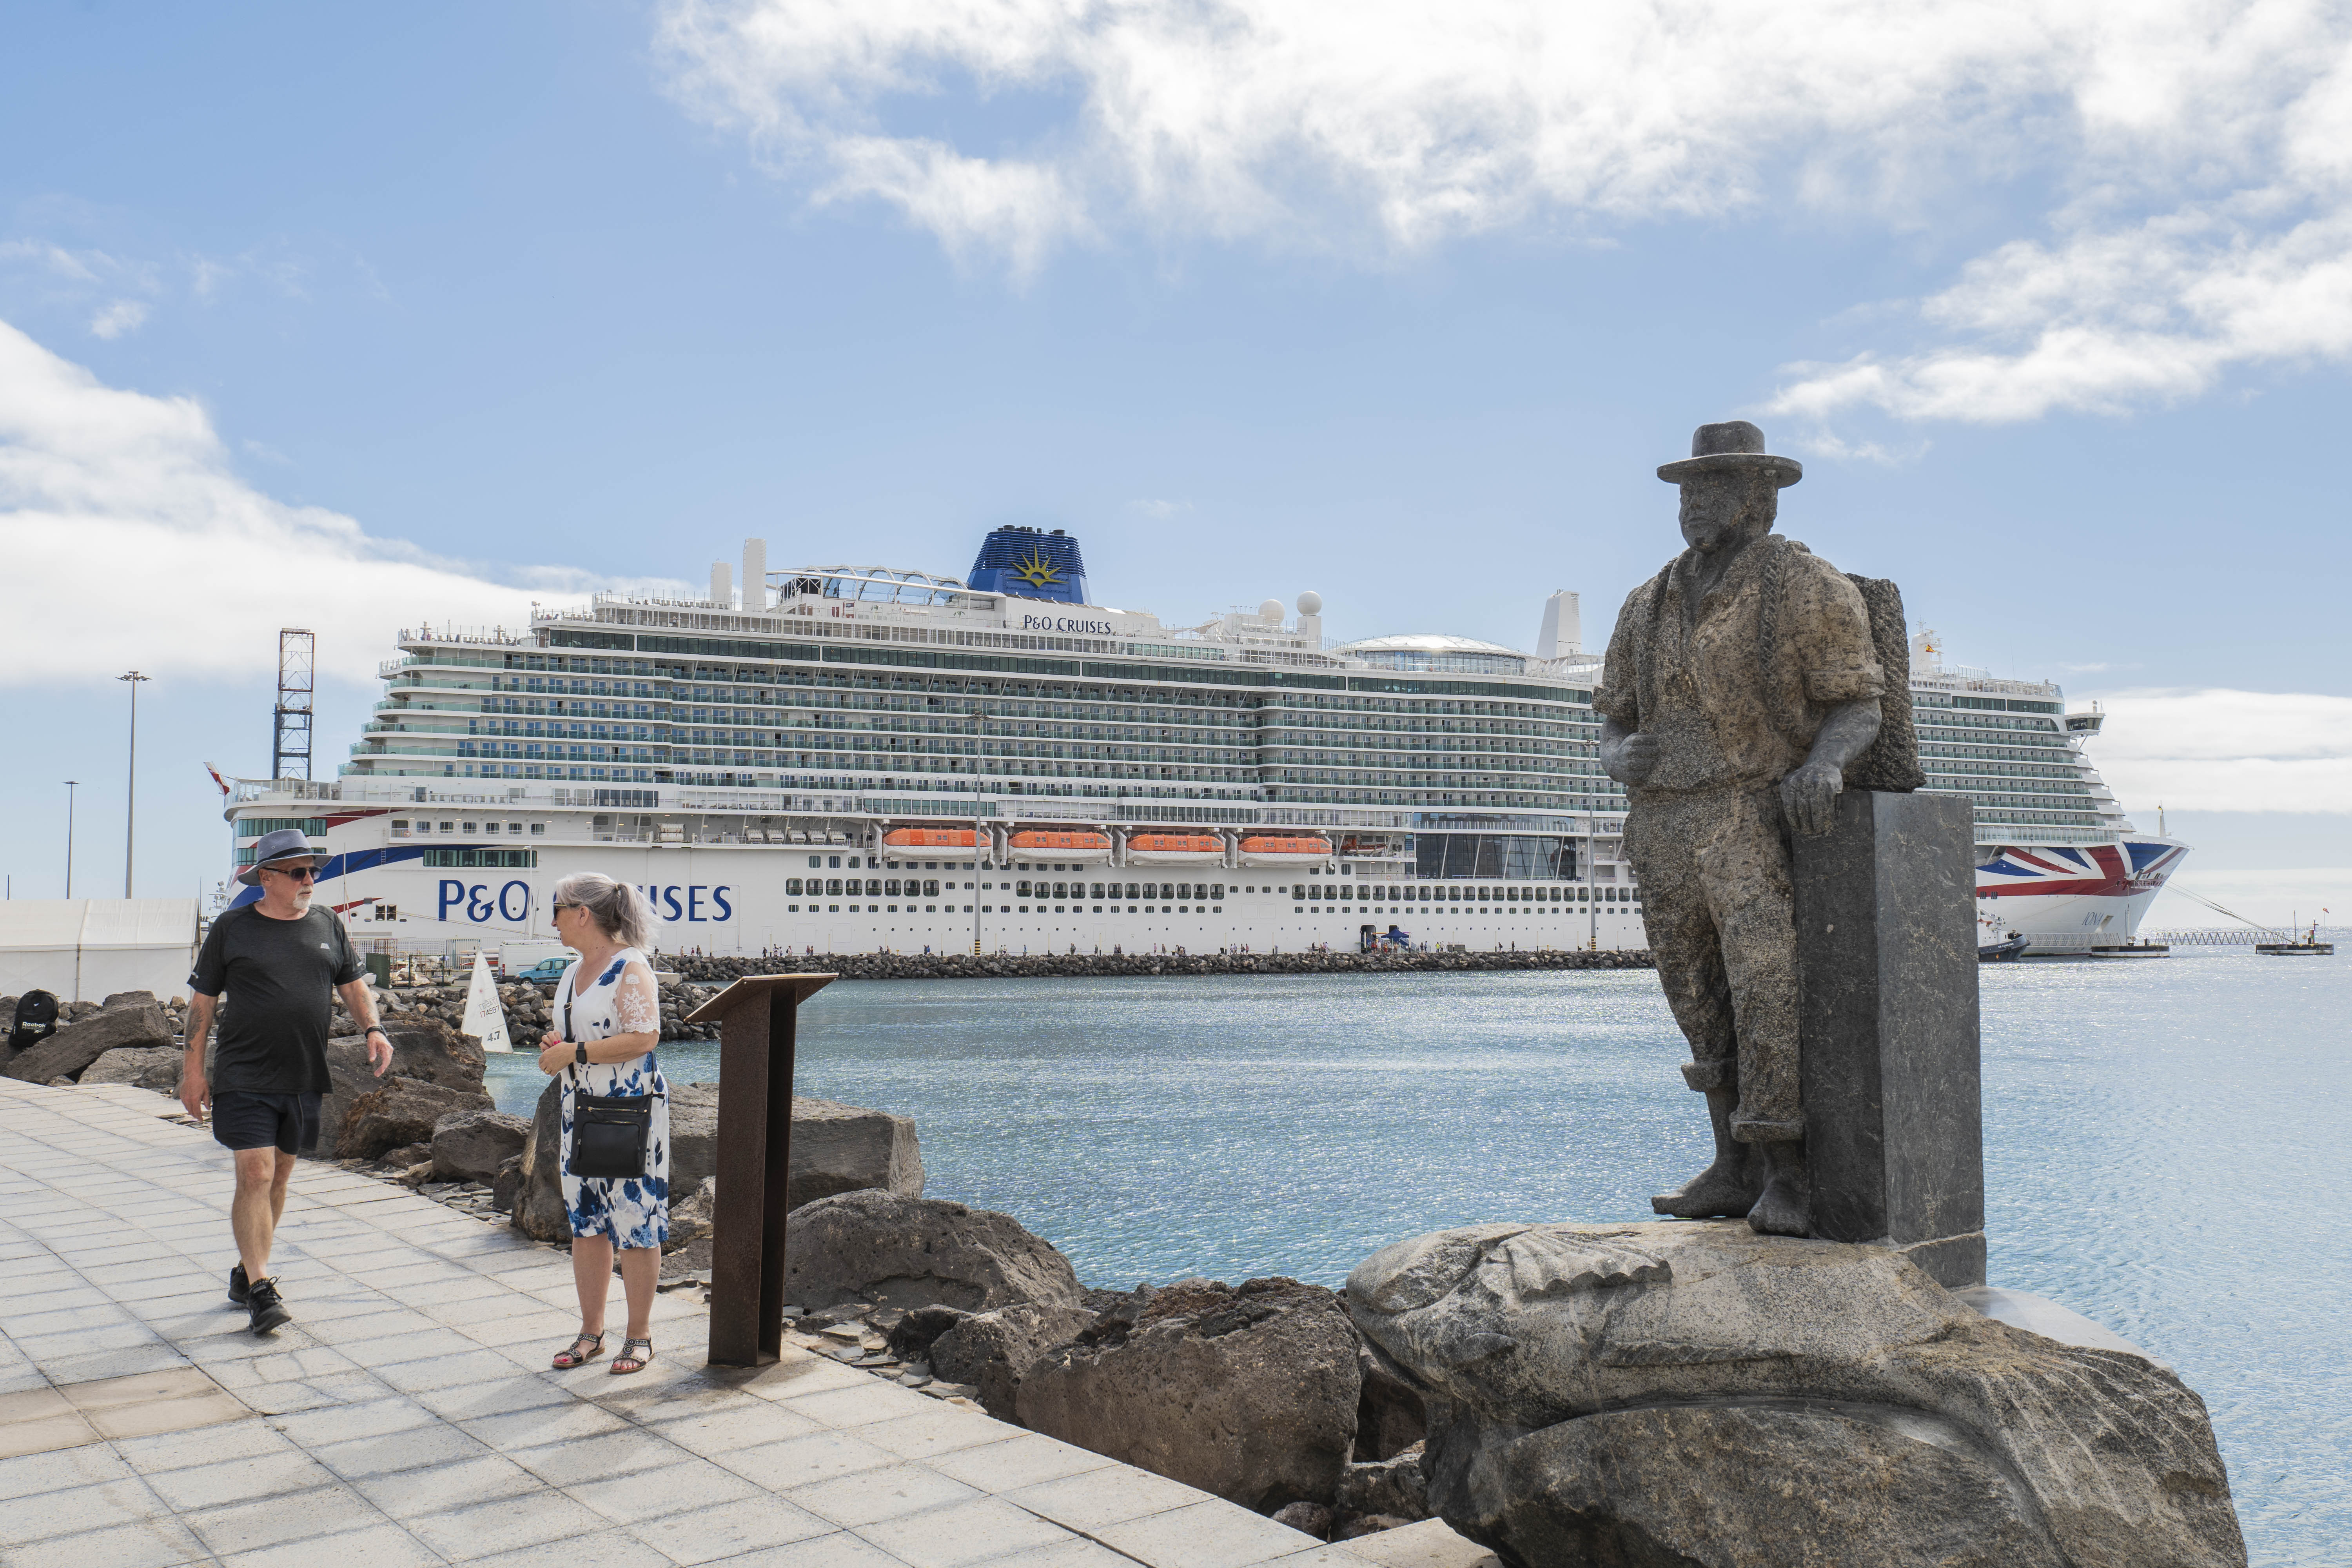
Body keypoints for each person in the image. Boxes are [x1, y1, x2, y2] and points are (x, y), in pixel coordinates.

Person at [1596, 421, 1884, 1237]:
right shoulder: (1646, 601)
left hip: (1744, 809)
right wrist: (1622, 758)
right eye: (1687, 492)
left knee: (1767, 988)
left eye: (1712, 490)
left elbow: (1858, 701)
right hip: (1660, 821)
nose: (1694, 507)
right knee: (1694, 994)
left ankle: (1787, 1171)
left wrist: (1825, 763)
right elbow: (1611, 719)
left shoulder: (1804, 585)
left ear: (1759, 498)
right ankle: (1730, 1162)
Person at [182, 828, 392, 1334]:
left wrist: (375, 1028)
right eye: (298, 873)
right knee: (253, 1174)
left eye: (312, 871)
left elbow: (353, 986)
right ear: (267, 879)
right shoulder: (233, 929)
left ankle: (243, 1270)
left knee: (278, 1179)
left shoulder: (328, 924)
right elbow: (202, 1005)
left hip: (303, 1075)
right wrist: (191, 1072)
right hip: (243, 1074)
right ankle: (260, 1288)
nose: (309, 881)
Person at [537, 872, 670, 1376]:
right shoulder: (574, 972)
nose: (552, 920)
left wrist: (578, 1051)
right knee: (587, 1221)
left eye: (557, 909)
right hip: (582, 1109)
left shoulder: (630, 968)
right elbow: (578, 1034)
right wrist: (559, 1049)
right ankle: (591, 1331)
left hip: (631, 1111)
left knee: (636, 1221)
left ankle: (639, 1336)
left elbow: (645, 1037)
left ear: (582, 913)